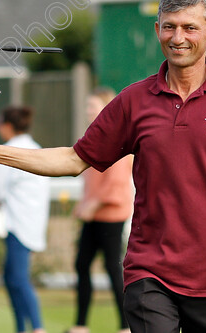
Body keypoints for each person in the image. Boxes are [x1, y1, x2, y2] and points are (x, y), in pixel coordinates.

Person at [0, 0, 206, 333]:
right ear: (157, 30)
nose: (178, 37)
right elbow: (72, 160)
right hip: (150, 273)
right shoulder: (134, 101)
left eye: (190, 28)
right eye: (169, 26)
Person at [68, 87, 133, 333]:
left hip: (110, 215)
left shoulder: (117, 135)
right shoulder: (95, 135)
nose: (88, 111)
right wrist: (85, 203)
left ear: (105, 108)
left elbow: (116, 181)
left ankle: (126, 325)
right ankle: (81, 324)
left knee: (113, 268)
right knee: (81, 264)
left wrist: (93, 204)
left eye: (92, 106)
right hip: (92, 214)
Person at [0, 106, 50, 333]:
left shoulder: (8, 150)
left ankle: (37, 327)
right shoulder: (36, 148)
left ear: (7, 126)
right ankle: (21, 328)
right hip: (31, 222)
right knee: (11, 277)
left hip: (17, 223)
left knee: (17, 278)